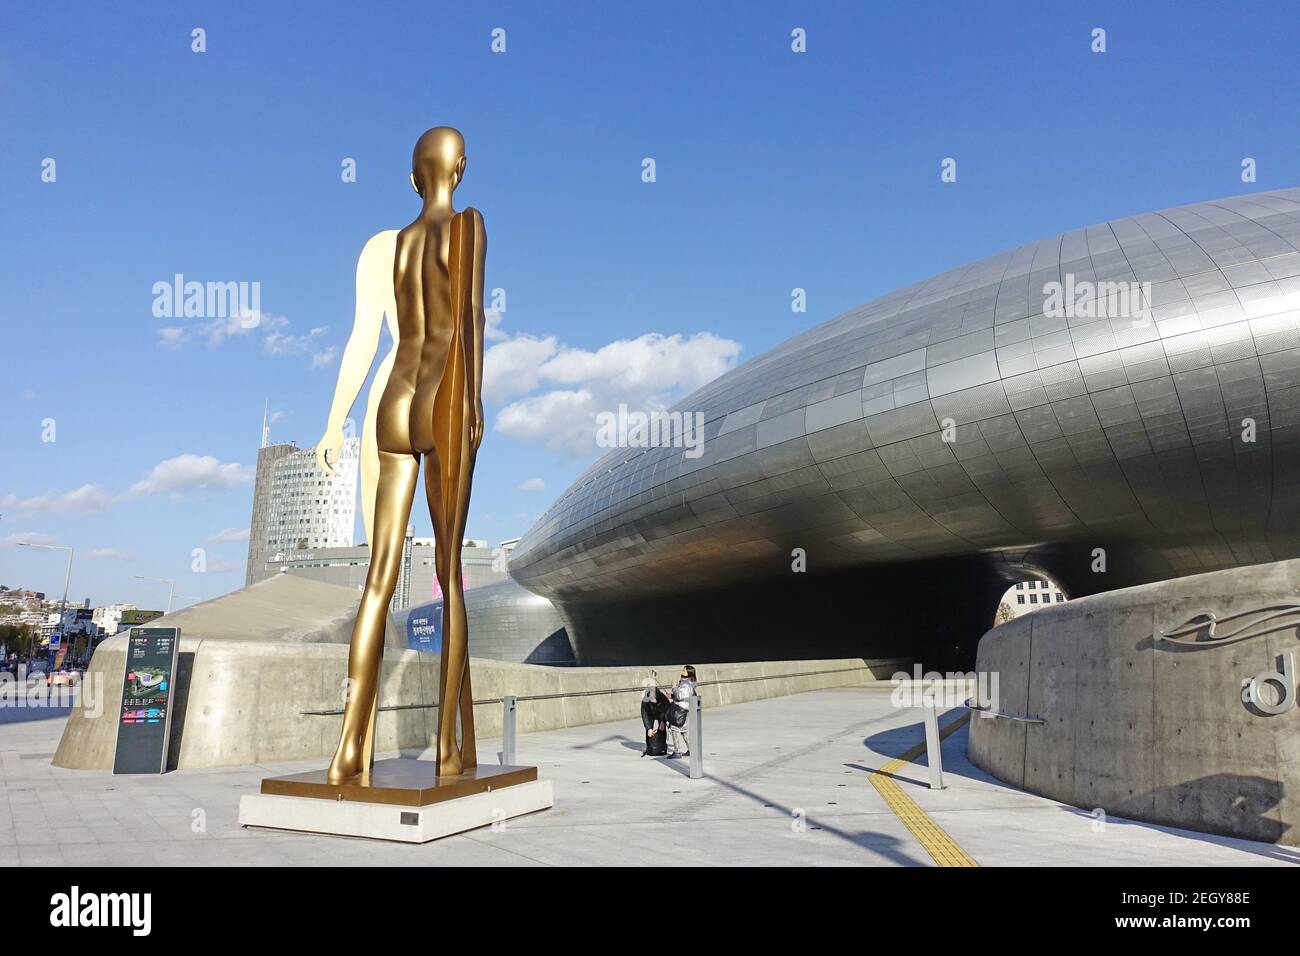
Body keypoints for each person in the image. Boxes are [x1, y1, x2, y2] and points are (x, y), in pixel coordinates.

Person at [667, 665, 698, 759]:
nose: (682, 671)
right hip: (685, 708)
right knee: (683, 730)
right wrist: (672, 696)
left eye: (685, 670)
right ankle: (692, 749)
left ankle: (677, 752)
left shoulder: (685, 684)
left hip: (679, 709)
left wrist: (674, 687)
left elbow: (680, 696)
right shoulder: (690, 683)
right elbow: (683, 696)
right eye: (683, 669)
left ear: (689, 672)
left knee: (674, 729)